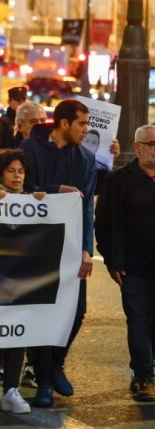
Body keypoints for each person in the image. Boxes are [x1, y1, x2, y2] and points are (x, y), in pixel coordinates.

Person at [19, 99, 96, 408]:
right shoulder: (30, 148)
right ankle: (44, 382)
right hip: (36, 246)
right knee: (42, 312)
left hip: (72, 245)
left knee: (77, 311)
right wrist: (56, 190)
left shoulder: (86, 158)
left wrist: (87, 249)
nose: (86, 130)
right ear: (64, 123)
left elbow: (86, 207)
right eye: (82, 123)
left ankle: (54, 366)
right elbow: (25, 188)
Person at [0, 149, 43, 415]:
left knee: (18, 331)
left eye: (21, 171)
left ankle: (11, 390)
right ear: (0, 173)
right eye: (11, 170)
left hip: (23, 279)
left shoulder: (33, 199)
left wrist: (42, 203)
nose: (17, 176)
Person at [96, 124, 155, 401]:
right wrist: (111, 260)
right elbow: (103, 224)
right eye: (151, 144)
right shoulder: (118, 181)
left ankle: (143, 372)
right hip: (133, 267)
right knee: (139, 321)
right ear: (137, 147)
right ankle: (145, 377)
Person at [0, 86, 27, 166]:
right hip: (4, 167)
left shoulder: (26, 123)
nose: (21, 103)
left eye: (23, 100)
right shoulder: (0, 123)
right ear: (9, 102)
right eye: (17, 100)